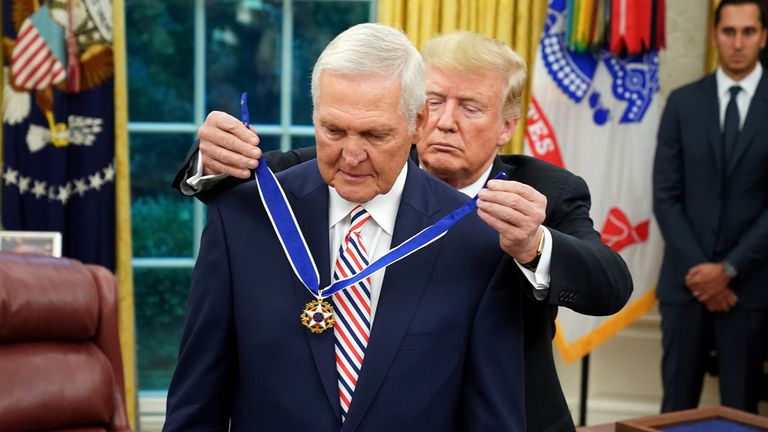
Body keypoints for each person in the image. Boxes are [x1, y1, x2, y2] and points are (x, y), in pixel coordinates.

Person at [172, 31, 634, 431]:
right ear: (418, 116)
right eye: (436, 102)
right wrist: (208, 159)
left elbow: (609, 283)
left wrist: (534, 246)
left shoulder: (539, 196)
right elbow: (252, 183)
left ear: (507, 127)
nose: (446, 121)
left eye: (470, 107)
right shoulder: (346, 161)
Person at [653, 0, 768, 414]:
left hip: (749, 290)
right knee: (675, 412)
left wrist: (729, 270)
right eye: (729, 31)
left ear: (763, 36)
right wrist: (702, 274)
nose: (738, 43)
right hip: (686, 287)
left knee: (741, 413)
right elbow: (665, 196)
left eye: (748, 32)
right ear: (714, 35)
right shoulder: (683, 103)